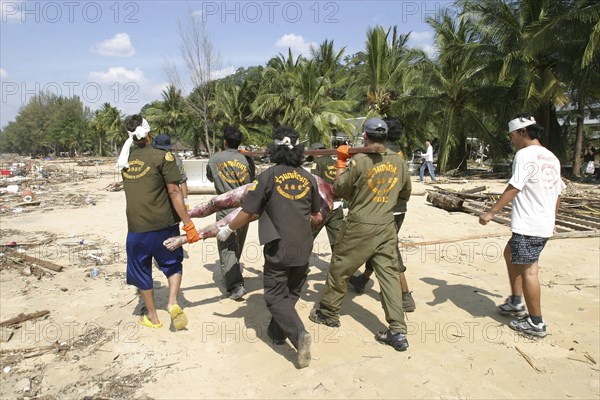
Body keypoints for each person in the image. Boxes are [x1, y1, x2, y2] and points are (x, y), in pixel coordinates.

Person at [216, 126, 320, 368]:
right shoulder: (308, 177)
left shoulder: (268, 177)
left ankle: (298, 335)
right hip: (304, 246)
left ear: (275, 150)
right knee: (292, 291)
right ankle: (277, 332)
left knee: (274, 296)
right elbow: (316, 212)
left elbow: (247, 211)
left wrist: (228, 229)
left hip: (278, 247)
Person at [309, 118, 410, 352]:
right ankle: (397, 330)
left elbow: (340, 189)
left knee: (340, 267)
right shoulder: (399, 161)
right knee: (389, 276)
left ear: (365, 137)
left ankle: (328, 313)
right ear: (385, 137)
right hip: (386, 225)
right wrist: (384, 203)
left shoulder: (359, 161)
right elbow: (405, 192)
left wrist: (342, 162)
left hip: (359, 224)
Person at [479, 114, 565, 338]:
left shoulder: (525, 155)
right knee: (510, 253)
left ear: (523, 132)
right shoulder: (551, 157)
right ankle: (516, 301)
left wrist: (491, 212)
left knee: (529, 271)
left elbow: (515, 186)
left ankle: (536, 322)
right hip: (541, 223)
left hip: (529, 224)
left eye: (513, 136)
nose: (512, 140)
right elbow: (558, 193)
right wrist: (551, 220)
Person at [117, 114, 200, 330]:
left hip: (137, 228)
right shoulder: (163, 157)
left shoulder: (124, 160)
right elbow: (174, 191)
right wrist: (188, 224)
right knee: (172, 265)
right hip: (164, 225)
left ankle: (153, 317)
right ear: (149, 132)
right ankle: (172, 303)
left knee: (141, 270)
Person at [348, 118, 415, 312]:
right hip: (397, 208)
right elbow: (406, 187)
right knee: (378, 246)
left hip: (384, 209)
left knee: (390, 250)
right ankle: (363, 280)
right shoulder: (399, 151)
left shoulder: (381, 152)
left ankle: (405, 294)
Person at [206, 126, 256, 301]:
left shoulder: (215, 158)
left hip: (224, 208)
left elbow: (211, 177)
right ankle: (233, 273)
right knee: (237, 244)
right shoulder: (247, 160)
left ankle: (235, 285)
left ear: (225, 141)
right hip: (244, 209)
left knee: (227, 247)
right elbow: (252, 182)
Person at [309, 142, 344, 252]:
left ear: (316, 152)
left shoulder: (317, 163)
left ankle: (299, 266)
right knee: (338, 242)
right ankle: (339, 267)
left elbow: (315, 184)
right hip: (337, 205)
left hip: (321, 206)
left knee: (307, 237)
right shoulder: (336, 163)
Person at [153, 134, 190, 210]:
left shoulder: (150, 160)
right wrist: (185, 201)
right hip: (174, 199)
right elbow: (183, 181)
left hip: (155, 199)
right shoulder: (177, 160)